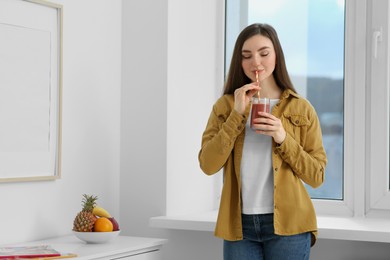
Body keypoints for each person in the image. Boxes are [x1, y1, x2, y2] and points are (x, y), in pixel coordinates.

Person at [198, 23, 327, 260]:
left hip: (290, 225)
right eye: (246, 56)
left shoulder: (301, 108)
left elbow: (317, 176)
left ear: (277, 55)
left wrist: (282, 137)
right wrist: (236, 115)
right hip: (239, 225)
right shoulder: (225, 107)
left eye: (264, 53)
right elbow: (208, 164)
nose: (255, 62)